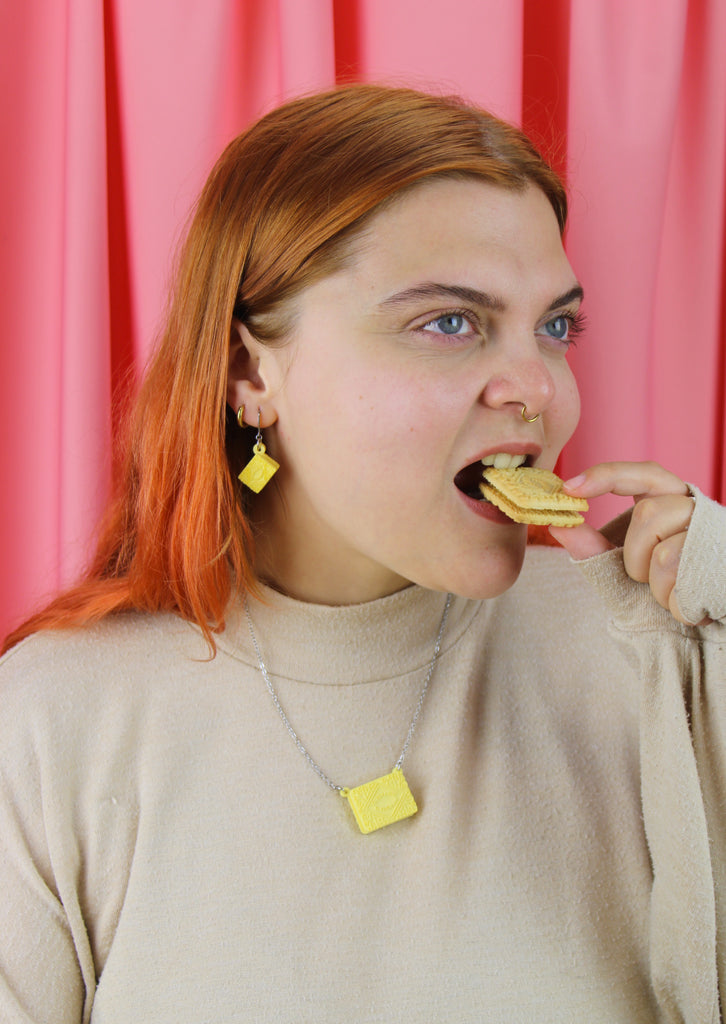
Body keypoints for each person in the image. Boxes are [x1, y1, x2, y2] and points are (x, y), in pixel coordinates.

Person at [0, 83, 723, 1024]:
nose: (537, 388)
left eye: (556, 327)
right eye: (450, 322)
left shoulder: (653, 648)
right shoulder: (54, 722)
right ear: (250, 374)